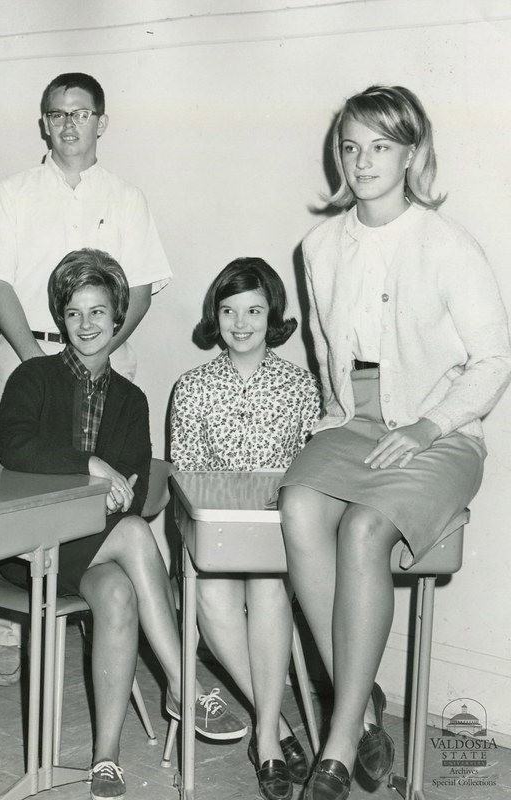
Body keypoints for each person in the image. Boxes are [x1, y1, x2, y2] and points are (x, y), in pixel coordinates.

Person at [279, 86, 511, 800]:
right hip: (356, 422)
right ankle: (366, 705)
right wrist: (336, 413)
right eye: (351, 146)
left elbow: (494, 360)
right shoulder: (318, 246)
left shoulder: (448, 243)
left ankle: (341, 739)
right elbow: (328, 354)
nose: (363, 160)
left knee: (365, 528)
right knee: (296, 506)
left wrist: (428, 426)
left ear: (412, 153)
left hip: (442, 429)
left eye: (381, 145)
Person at [0, 250, 244, 800]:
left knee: (116, 594)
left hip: (92, 549)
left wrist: (108, 485)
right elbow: (13, 447)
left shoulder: (132, 398)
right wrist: (90, 465)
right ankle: (184, 682)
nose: (87, 324)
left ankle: (105, 759)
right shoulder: (31, 377)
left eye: (98, 312)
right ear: (62, 319)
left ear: (117, 318)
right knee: (133, 535)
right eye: (75, 312)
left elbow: (129, 489)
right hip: (29, 543)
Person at [0, 71, 172, 685]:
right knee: (23, 484)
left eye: (80, 113)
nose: (67, 123)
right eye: (56, 114)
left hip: (106, 353)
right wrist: (38, 363)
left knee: (112, 488)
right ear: (43, 124)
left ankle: (102, 603)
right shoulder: (12, 191)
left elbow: (137, 291)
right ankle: (12, 633)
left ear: (100, 122)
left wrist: (97, 351)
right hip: (30, 356)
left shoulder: (127, 197)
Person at [169, 258, 321, 800]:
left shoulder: (302, 386)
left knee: (268, 593)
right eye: (229, 311)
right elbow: (184, 480)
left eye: (254, 310)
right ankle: (273, 720)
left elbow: (311, 470)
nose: (240, 323)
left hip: (277, 535)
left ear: (272, 314)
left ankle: (270, 744)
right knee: (211, 600)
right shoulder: (191, 388)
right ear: (216, 316)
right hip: (214, 532)